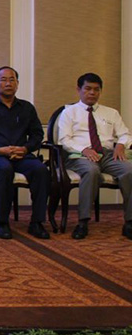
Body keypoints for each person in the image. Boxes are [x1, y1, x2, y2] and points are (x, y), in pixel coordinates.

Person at [0, 66, 50, 240]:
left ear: (17, 84)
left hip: (21, 155)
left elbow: (37, 134)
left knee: (41, 170)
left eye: (12, 80)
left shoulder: (26, 108)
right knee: (5, 169)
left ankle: (37, 222)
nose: (8, 83)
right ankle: (2, 223)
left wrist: (25, 149)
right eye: (3, 80)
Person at [56, 73, 132, 240]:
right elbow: (64, 140)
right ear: (79, 90)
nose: (92, 93)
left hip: (107, 154)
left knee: (130, 170)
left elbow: (125, 134)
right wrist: (84, 150)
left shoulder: (111, 113)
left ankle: (129, 222)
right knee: (91, 171)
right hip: (79, 155)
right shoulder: (69, 112)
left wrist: (121, 144)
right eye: (88, 89)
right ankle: (83, 222)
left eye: (96, 89)